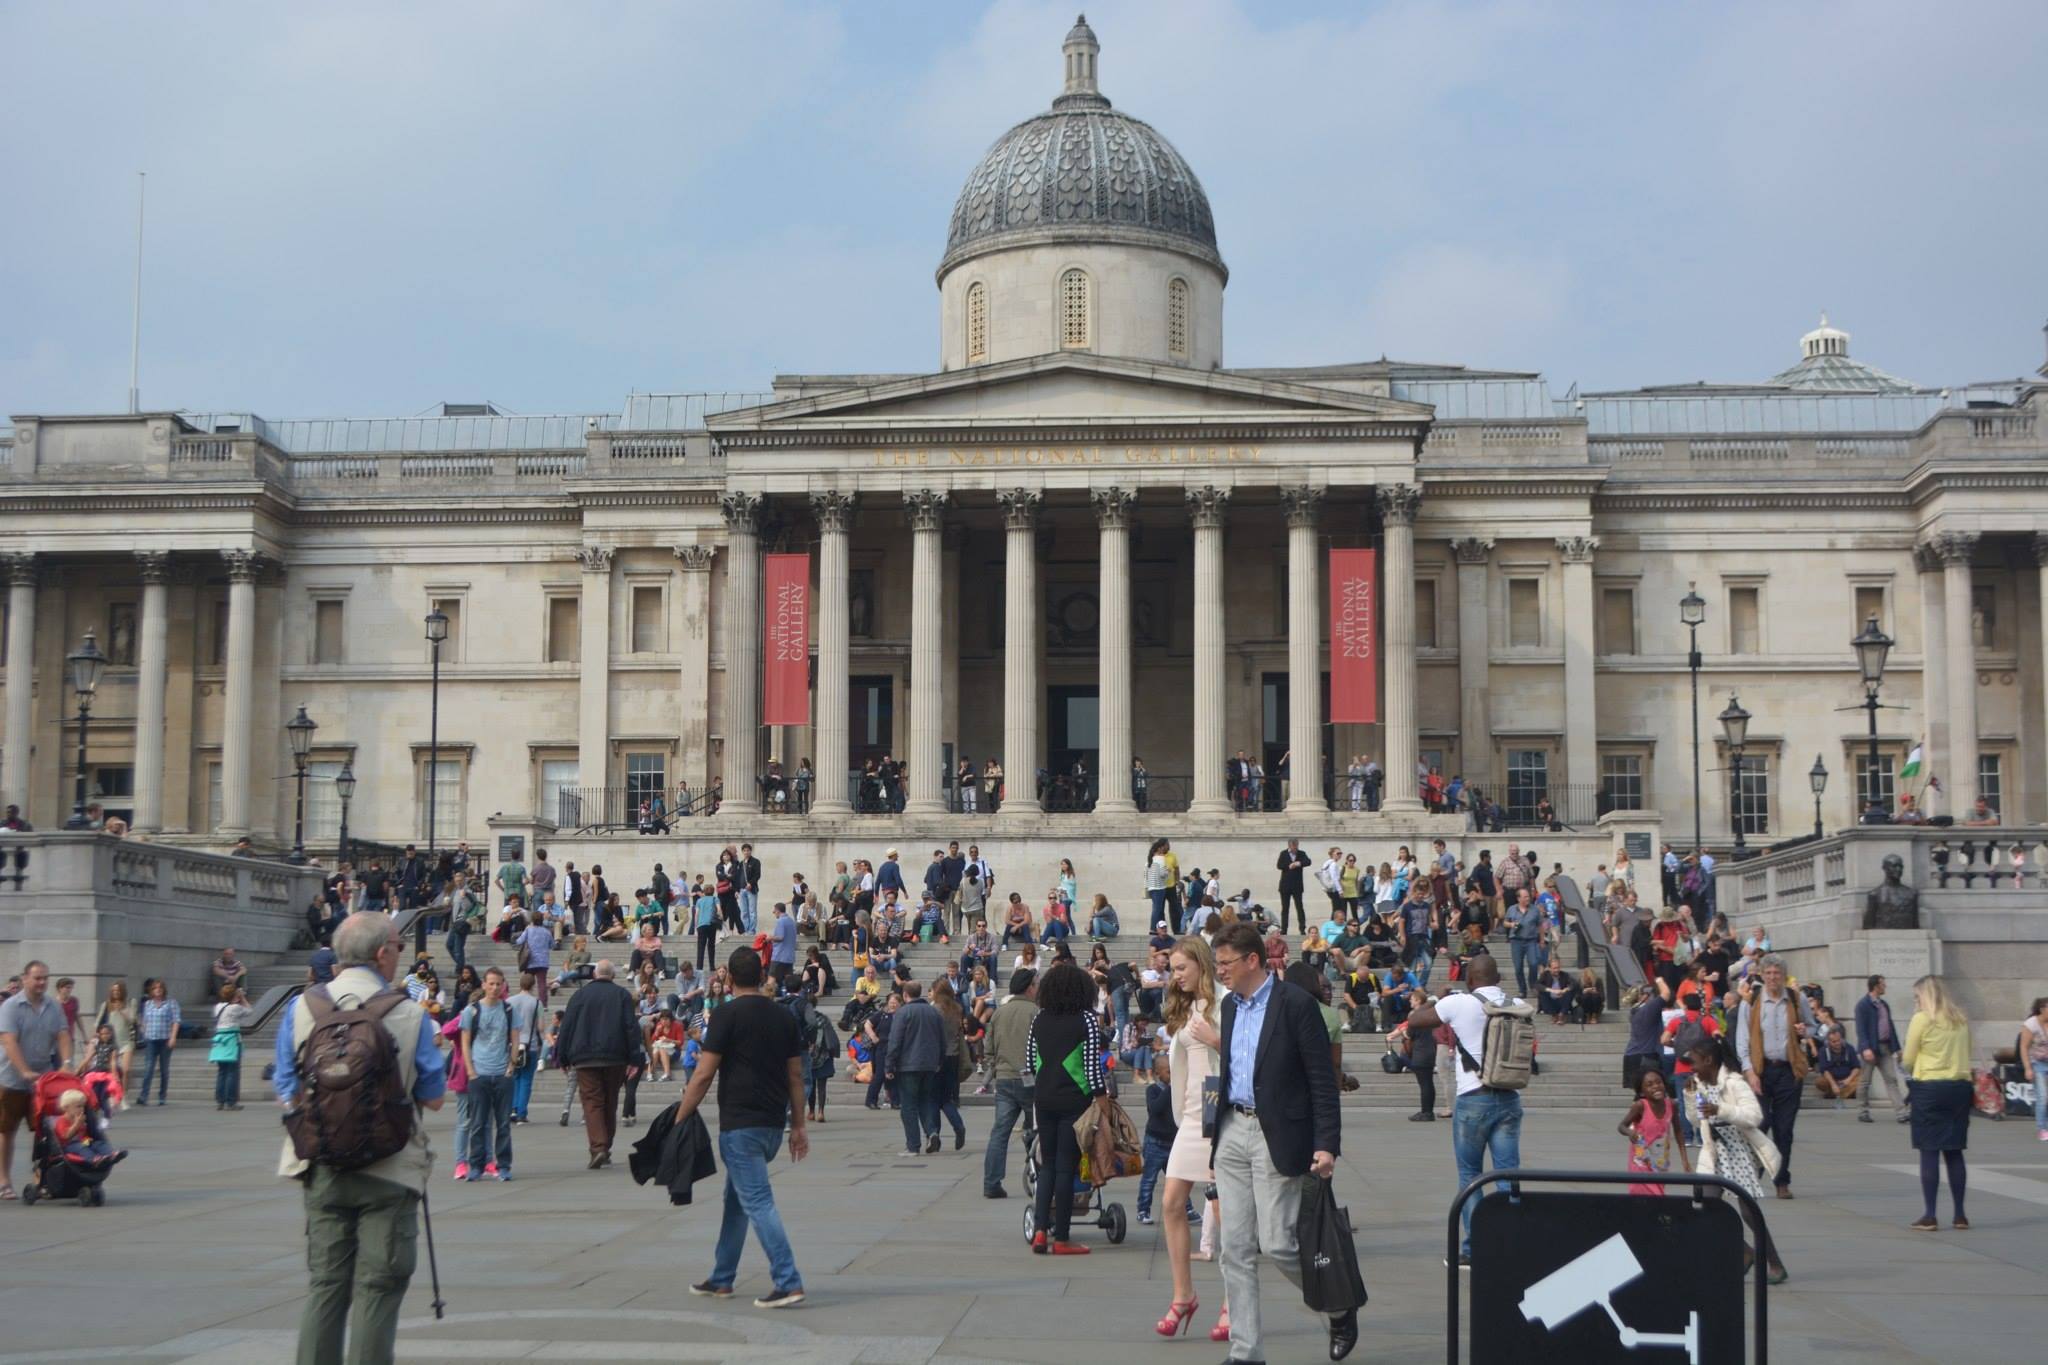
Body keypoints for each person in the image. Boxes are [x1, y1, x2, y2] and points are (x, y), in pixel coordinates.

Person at [274, 911, 448, 1363]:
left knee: (326, 1285)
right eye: (399, 947)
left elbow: (286, 1090)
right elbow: (434, 1098)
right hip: (390, 1166)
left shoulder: (301, 1008)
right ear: (382, 953)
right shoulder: (409, 1013)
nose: (399, 955)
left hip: (321, 1162)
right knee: (379, 1286)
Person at [1207, 921, 1353, 1361]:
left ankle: (1338, 1305)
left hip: (1277, 1132)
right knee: (1234, 1248)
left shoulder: (1295, 1004)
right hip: (1232, 1128)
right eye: (1216, 964)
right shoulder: (1229, 1006)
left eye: (1225, 963)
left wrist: (1326, 1143)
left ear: (1253, 960)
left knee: (1278, 1244)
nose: (1220, 971)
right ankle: (1245, 1351)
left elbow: (1322, 1080)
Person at [671, 946, 809, 1308]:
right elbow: (796, 1076)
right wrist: (798, 1125)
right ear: (762, 976)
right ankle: (722, 1278)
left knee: (758, 1202)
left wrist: (681, 1115)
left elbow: (703, 1074)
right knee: (736, 1201)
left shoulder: (725, 1016)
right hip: (772, 1124)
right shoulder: (783, 1017)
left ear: (729, 979)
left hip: (740, 1124)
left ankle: (788, 1281)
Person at [1405, 955, 1524, 1268]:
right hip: (1509, 1097)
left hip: (1473, 1098)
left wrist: (1439, 998)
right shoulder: (1516, 1003)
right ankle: (1512, 1243)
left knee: (1471, 1176)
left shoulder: (1459, 1003)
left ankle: (1475, 1249)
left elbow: (1416, 1020)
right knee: (1508, 1174)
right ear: (1498, 978)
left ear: (1470, 980)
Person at [1157, 935, 1226, 1341]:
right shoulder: (1185, 1007)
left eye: (1182, 968)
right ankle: (1183, 1294)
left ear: (1202, 963)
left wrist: (1215, 1038)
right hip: (1191, 1113)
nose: (1176, 976)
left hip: (1221, 1110)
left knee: (1224, 1211)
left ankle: (1233, 1301)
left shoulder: (1225, 1001)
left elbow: (1248, 1054)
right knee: (1171, 1202)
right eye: (1172, 969)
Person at [1679, 1027, 1786, 1283]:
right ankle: (1745, 1252)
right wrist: (1690, 1096)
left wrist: (1722, 1109)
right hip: (1715, 1152)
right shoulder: (1700, 1084)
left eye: (1694, 1062)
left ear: (1708, 1060)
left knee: (1749, 1213)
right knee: (1706, 1207)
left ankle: (1775, 1264)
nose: (1691, 1068)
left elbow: (1755, 1116)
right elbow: (1694, 1121)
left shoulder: (1735, 1083)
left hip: (1739, 1152)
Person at [1025, 962, 1110, 1256]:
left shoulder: (1040, 1018)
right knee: (1065, 1167)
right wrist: (1102, 1100)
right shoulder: (1086, 1019)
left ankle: (1040, 1231)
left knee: (1047, 1165)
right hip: (1075, 1101)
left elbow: (1030, 1062)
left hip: (1044, 1098)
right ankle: (1061, 1237)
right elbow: (1092, 1067)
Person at [1734, 955, 1816, 1200]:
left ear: (1784, 976)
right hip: (1761, 1070)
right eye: (1768, 973)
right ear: (1761, 975)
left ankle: (1781, 1180)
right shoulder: (1751, 1001)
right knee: (1760, 1124)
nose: (1772, 978)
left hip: (1789, 1070)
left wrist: (1805, 1031)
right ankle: (1752, 1175)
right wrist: (1749, 1071)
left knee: (1784, 1129)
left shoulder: (1796, 998)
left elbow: (1813, 1027)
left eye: (1776, 973)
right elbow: (1742, 1040)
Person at [554, 960, 645, 1170]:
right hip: (615, 1057)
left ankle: (598, 1147)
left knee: (592, 1102)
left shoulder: (580, 995)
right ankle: (605, 1146)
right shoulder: (622, 995)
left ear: (594, 975)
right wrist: (634, 1059)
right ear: (612, 975)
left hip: (585, 1057)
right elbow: (631, 1028)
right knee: (610, 1102)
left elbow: (567, 1027)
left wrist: (562, 1057)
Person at [1903, 975, 1974, 1231]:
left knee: (1929, 1150)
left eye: (1917, 996)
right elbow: (1968, 1052)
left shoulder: (1922, 1019)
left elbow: (1908, 1058)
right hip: (1959, 1088)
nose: (1916, 1001)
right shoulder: (1961, 1019)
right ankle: (1960, 1214)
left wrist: (1911, 1067)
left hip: (1930, 1088)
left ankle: (1930, 1215)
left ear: (1926, 996)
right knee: (1954, 1150)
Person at [0, 961, 72, 1200]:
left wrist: (66, 1063)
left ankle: (42, 1181)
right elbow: (9, 1041)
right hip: (10, 1079)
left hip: (44, 1081)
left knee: (46, 1132)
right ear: (25, 979)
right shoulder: (11, 1006)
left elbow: (63, 1034)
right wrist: (24, 1070)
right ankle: (4, 1181)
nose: (42, 982)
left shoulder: (53, 1006)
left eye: (45, 978)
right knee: (6, 1131)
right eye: (37, 978)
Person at [981, 968, 1038, 1199]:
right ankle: (1038, 1174)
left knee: (1000, 1132)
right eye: (1035, 984)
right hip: (1030, 1078)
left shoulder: (999, 1012)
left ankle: (991, 1182)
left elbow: (988, 1048)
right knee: (1037, 1129)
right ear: (1029, 987)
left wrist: (995, 1066)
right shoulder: (1035, 1012)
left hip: (1004, 1078)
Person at [459, 968, 518, 1180]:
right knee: (477, 1123)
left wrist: (511, 1067)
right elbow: (465, 1042)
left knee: (503, 1124)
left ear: (503, 986)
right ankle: (476, 1165)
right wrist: (470, 1071)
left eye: (498, 984)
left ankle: (504, 1165)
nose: (495, 988)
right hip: (479, 1073)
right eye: (491, 983)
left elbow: (515, 1039)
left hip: (502, 1073)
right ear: (483, 985)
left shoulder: (509, 1010)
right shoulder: (471, 1011)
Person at [886, 980, 947, 1157]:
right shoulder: (934, 1012)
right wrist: (939, 1061)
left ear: (905, 995)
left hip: (908, 1065)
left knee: (909, 1106)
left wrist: (889, 1065)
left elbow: (895, 1041)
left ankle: (913, 1145)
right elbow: (942, 1040)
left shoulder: (903, 1012)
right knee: (925, 1101)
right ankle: (932, 1132)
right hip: (929, 1064)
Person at [1620, 1067, 1688, 1196]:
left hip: (1660, 1160)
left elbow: (1678, 1131)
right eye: (1649, 1085)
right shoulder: (1640, 1106)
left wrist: (1684, 1160)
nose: (1656, 1086)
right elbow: (1622, 1126)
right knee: (1648, 1196)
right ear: (1642, 1092)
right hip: (1640, 1161)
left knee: (1658, 1195)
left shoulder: (1671, 1105)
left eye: (1658, 1082)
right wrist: (1630, 1133)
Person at [1854, 974, 1911, 1125]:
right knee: (1865, 1081)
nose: (1885, 986)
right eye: (1883, 984)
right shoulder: (1863, 1005)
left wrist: (1897, 1048)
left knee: (1891, 1080)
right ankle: (1863, 1111)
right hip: (1870, 1048)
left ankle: (1901, 1113)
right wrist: (1865, 1048)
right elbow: (1861, 1029)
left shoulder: (1884, 1005)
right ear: (1875, 986)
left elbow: (1890, 1027)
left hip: (1885, 1047)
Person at [137, 979, 181, 1106]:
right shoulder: (148, 1004)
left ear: (163, 990)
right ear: (151, 991)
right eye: (155, 988)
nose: (158, 990)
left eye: (160, 988)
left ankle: (162, 1096)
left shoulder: (171, 1003)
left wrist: (173, 1037)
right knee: (148, 1068)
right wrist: (143, 1030)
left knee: (164, 1069)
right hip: (151, 1039)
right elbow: (144, 1020)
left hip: (165, 1039)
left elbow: (176, 1021)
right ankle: (144, 1096)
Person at [210, 984, 253, 1110]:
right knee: (232, 1072)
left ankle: (220, 1101)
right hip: (232, 1040)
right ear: (234, 995)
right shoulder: (236, 1008)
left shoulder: (218, 1007)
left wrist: (236, 996)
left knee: (222, 1071)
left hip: (219, 1041)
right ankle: (231, 1101)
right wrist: (242, 997)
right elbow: (250, 1011)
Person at [1274, 838, 1311, 936]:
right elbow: (1279, 865)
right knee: (1285, 908)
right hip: (1285, 885)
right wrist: (1289, 866)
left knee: (1299, 907)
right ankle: (1284, 929)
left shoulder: (1301, 853)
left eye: (1296, 845)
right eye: (1293, 846)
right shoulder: (1283, 853)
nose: (1295, 848)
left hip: (1297, 885)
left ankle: (1302, 928)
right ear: (1289, 846)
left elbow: (1308, 862)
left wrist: (1299, 863)